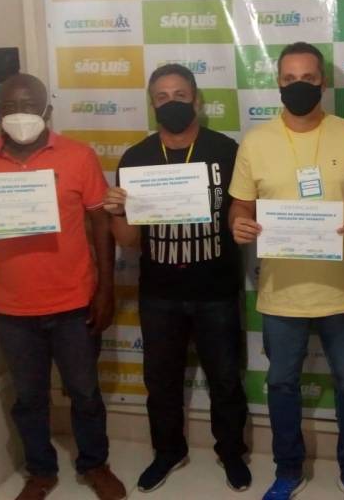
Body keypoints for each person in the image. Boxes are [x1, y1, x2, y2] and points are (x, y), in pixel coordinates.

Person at [0, 74, 126, 500]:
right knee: (28, 398)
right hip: (12, 308)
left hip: (74, 302)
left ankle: (94, 464)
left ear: (47, 110)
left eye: (28, 106)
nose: (19, 115)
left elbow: (101, 222)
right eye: (9, 107)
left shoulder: (78, 156)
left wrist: (106, 289)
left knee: (85, 393)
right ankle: (41, 472)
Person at [228, 42, 344, 500]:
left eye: (308, 78)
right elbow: (240, 204)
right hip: (281, 292)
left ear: (323, 82)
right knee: (281, 383)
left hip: (343, 291)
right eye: (289, 79)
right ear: (277, 83)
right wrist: (238, 223)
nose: (298, 85)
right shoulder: (256, 142)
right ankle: (288, 469)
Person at [102, 64, 250, 493]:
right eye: (162, 97)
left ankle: (231, 451)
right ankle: (167, 452)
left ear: (197, 99)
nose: (172, 103)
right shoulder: (136, 158)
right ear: (152, 104)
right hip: (160, 293)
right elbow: (130, 241)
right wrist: (117, 212)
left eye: (180, 95)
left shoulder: (227, 151)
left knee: (225, 378)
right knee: (161, 381)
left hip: (216, 289)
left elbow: (244, 208)